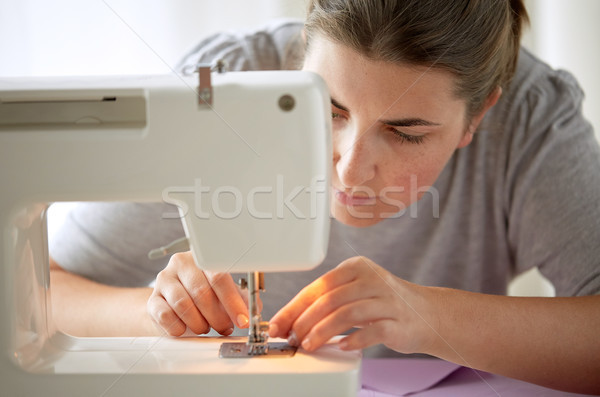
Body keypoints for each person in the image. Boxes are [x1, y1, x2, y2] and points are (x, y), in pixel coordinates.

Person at [49, 0, 600, 393]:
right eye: (328, 111)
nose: (351, 168)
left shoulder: (532, 120)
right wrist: (156, 315)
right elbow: (40, 287)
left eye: (406, 132)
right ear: (299, 59)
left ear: (478, 115)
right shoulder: (222, 89)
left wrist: (426, 315)